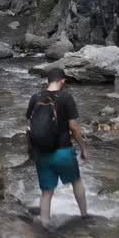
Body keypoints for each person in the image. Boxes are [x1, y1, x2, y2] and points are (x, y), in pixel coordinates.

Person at [25, 67, 89, 226]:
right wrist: (83, 147)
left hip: (42, 153)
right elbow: (73, 126)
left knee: (46, 192)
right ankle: (84, 216)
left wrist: (30, 149)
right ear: (63, 81)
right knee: (76, 181)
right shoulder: (66, 98)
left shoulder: (35, 97)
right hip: (63, 152)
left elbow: (29, 125)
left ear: (48, 80)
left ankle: (44, 224)